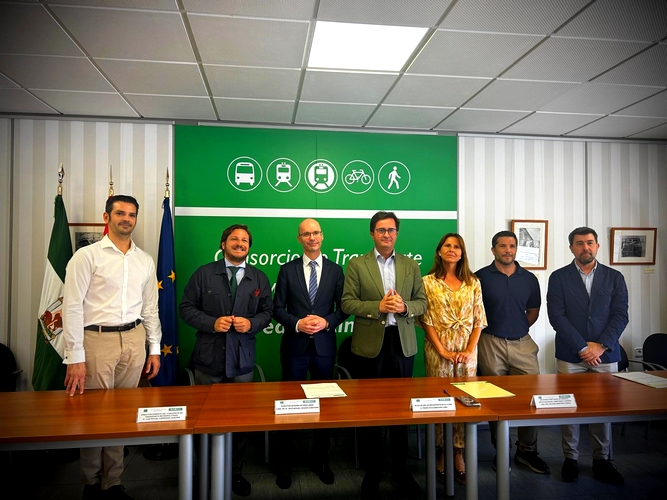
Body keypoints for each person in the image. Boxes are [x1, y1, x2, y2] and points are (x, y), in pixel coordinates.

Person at [63, 195, 162, 500]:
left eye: (131, 214)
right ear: (107, 217)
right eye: (120, 213)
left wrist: (154, 348)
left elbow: (150, 307)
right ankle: (91, 484)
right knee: (94, 415)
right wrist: (75, 357)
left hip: (133, 339)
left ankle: (113, 483)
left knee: (122, 415)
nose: (126, 219)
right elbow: (72, 307)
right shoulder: (86, 257)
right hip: (96, 340)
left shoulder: (144, 260)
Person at [180, 224, 272, 497]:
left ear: (249, 247)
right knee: (204, 420)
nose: (240, 243)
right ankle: (204, 473)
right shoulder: (203, 274)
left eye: (245, 240)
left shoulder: (259, 278)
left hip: (242, 361)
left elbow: (267, 312)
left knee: (239, 421)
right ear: (223, 244)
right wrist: (211, 322)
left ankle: (234, 473)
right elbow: (185, 308)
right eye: (234, 239)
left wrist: (252, 323)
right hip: (207, 360)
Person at [341, 211, 427, 498]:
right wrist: (377, 306)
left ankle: (401, 469)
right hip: (370, 346)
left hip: (402, 344)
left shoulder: (410, 265)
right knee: (371, 411)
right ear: (372, 234)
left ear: (397, 233)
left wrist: (405, 308)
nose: (386, 234)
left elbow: (422, 302)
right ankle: (373, 470)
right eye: (381, 230)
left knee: (403, 410)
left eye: (391, 230)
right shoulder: (357, 264)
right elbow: (347, 303)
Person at [547, 226, 628, 485]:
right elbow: (556, 316)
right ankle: (570, 458)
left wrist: (601, 346)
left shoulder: (614, 277)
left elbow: (620, 315)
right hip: (571, 355)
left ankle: (601, 459)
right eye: (580, 243)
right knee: (568, 407)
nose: (586, 247)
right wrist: (583, 348)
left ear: (597, 246)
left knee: (602, 409)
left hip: (605, 355)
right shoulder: (558, 277)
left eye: (590, 242)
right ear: (571, 247)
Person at [272, 218, 349, 489]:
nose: (311, 238)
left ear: (322, 236)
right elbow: (276, 308)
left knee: (324, 408)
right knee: (289, 407)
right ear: (299, 239)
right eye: (306, 234)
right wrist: (297, 323)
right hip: (295, 348)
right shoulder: (287, 270)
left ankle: (321, 461)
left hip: (324, 349)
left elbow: (344, 308)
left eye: (315, 233)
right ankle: (285, 463)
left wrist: (327, 322)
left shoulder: (336, 270)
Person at [476, 230, 550, 474]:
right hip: (490, 343)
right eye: (502, 246)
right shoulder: (479, 277)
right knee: (494, 399)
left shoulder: (528, 278)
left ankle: (526, 451)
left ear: (516, 249)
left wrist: (516, 329)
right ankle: (501, 452)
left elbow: (533, 311)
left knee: (531, 398)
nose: (508, 250)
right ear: (493, 250)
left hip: (522, 344)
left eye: (512, 246)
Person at [421, 233, 486, 486]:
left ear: (462, 253)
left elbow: (479, 320)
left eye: (456, 246)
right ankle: (441, 452)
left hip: (467, 351)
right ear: (439, 251)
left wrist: (469, 350)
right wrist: (442, 351)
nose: (452, 249)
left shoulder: (473, 282)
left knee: (465, 401)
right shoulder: (427, 282)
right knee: (440, 401)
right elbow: (426, 320)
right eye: (447, 245)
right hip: (438, 350)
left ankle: (459, 454)